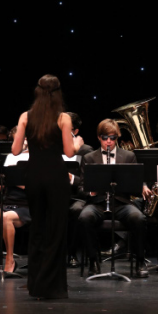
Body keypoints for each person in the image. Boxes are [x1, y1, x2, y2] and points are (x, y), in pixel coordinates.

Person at [11, 74, 81, 300]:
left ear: (38, 91)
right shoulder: (63, 118)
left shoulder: (25, 116)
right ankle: (53, 287)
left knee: (38, 230)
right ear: (58, 93)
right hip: (55, 178)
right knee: (55, 231)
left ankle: (36, 286)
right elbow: (69, 153)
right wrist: (77, 144)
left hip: (33, 176)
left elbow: (14, 150)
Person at [78, 119, 149, 278]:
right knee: (84, 217)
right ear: (98, 138)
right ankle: (93, 260)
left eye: (112, 138)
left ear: (117, 138)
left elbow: (136, 182)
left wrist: (142, 186)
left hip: (121, 203)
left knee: (138, 218)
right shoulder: (89, 158)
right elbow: (80, 187)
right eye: (105, 138)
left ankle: (140, 260)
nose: (109, 141)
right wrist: (91, 193)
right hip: (98, 203)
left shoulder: (128, 156)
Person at [0, 185, 31, 273]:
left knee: (6, 217)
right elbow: (1, 187)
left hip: (28, 204)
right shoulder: (10, 170)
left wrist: (15, 181)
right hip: (9, 202)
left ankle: (10, 259)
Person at [66, 112, 92, 268]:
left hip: (78, 196)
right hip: (58, 194)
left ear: (75, 131)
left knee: (76, 210)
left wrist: (71, 178)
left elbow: (88, 182)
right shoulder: (55, 148)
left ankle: (73, 253)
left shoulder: (86, 151)